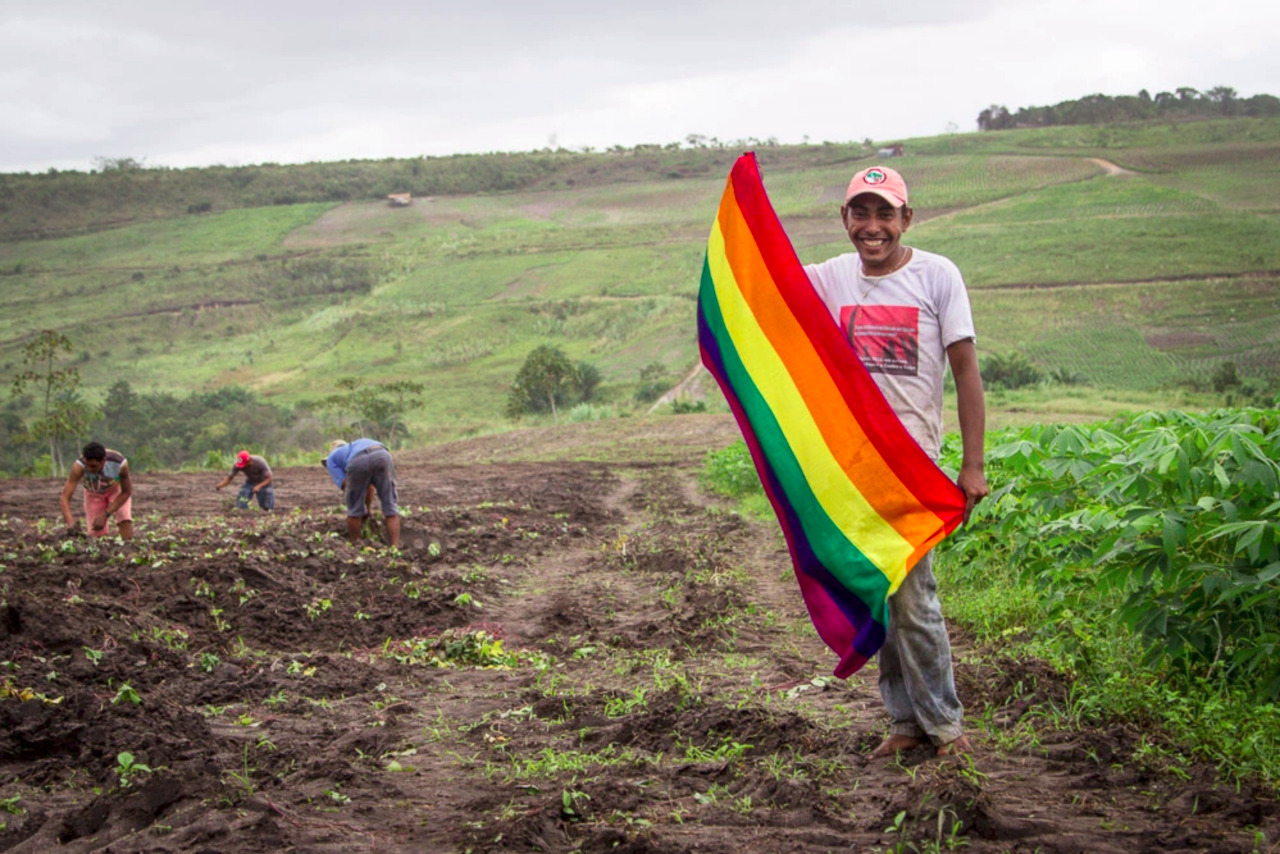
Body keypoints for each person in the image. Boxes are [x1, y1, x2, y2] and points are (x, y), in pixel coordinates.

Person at [804, 165, 989, 758]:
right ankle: (905, 723)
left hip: (913, 466)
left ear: (907, 219)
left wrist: (973, 465)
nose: (872, 226)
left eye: (885, 213)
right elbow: (763, 283)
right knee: (877, 592)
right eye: (861, 213)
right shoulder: (830, 277)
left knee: (913, 598)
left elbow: (965, 373)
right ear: (845, 220)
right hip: (851, 469)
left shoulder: (938, 276)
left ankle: (945, 724)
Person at [322, 439, 401, 547]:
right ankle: (395, 548)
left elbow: (347, 486)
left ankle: (356, 546)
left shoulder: (331, 459)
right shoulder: (355, 446)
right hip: (382, 455)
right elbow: (370, 487)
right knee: (390, 505)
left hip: (358, 462)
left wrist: (360, 509)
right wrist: (368, 510)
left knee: (354, 509)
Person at [60, 441, 134, 540]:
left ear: (103, 461)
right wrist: (71, 523)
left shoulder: (119, 464)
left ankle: (127, 547)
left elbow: (126, 492)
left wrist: (105, 514)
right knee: (96, 534)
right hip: (93, 493)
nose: (89, 469)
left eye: (93, 466)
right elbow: (65, 498)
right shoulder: (79, 467)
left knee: (124, 517)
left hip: (116, 489)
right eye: (88, 465)